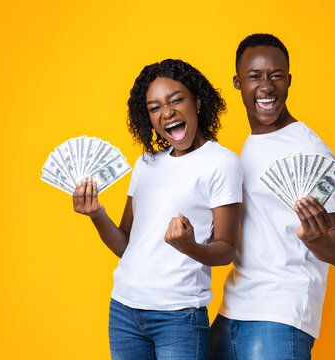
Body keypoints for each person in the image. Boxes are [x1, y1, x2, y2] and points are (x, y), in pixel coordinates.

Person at [73, 59, 243, 360]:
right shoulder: (146, 164)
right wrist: (96, 214)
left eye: (176, 100)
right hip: (124, 310)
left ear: (198, 102)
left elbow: (227, 249)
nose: (167, 112)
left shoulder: (222, 163)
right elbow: (126, 245)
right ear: (148, 117)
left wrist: (189, 246)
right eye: (154, 107)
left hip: (178, 316)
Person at [209, 34, 335, 359]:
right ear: (238, 82)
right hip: (232, 307)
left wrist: (316, 239)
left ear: (288, 81)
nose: (266, 87)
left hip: (281, 312)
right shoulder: (246, 147)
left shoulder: (309, 148)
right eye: (255, 76)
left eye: (276, 76)